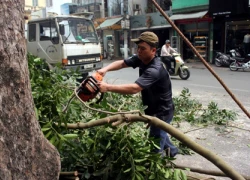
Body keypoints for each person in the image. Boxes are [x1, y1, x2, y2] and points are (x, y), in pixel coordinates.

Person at [96, 31, 178, 157]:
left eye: (143, 49)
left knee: (155, 144)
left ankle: (155, 166)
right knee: (161, 134)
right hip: (153, 109)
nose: (139, 51)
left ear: (153, 50)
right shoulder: (141, 59)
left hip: (162, 112)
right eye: (138, 48)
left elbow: (135, 88)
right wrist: (104, 69)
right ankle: (172, 152)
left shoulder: (155, 69)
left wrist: (107, 87)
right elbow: (123, 63)